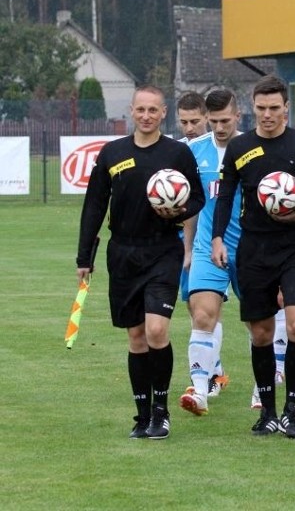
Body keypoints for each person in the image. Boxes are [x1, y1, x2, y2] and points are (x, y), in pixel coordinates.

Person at [76, 84, 205, 439]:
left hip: (163, 249)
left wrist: (179, 209)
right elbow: (94, 206)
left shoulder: (177, 153)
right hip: (123, 253)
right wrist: (83, 256)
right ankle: (142, 414)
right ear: (131, 112)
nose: (146, 116)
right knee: (135, 337)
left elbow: (198, 198)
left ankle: (161, 412)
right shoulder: (112, 153)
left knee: (157, 330)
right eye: (140, 110)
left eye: (153, 110)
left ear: (164, 113)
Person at [212, 75, 295, 438]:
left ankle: (292, 410)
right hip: (254, 250)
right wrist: (218, 238)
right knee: (261, 333)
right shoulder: (239, 148)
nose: (267, 115)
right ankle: (266, 412)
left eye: (274, 109)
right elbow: (226, 197)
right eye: (261, 109)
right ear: (252, 107)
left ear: (286, 108)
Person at [177, 89, 242, 416]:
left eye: (224, 120)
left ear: (237, 117)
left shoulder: (254, 148)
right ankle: (202, 389)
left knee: (275, 320)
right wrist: (188, 250)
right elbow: (191, 205)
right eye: (212, 121)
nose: (218, 127)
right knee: (201, 313)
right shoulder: (193, 152)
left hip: (251, 248)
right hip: (206, 246)